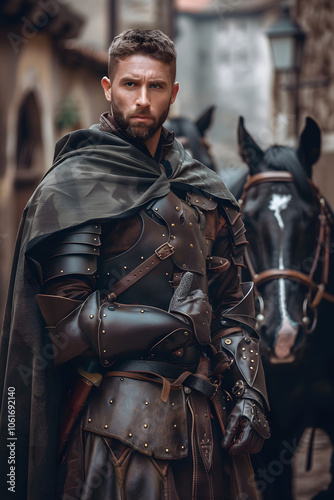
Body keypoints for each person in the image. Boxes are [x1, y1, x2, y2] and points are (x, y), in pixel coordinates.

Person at [0, 29, 270, 500]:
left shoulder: (201, 186)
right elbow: (69, 326)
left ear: (174, 92)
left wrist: (250, 391)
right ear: (109, 88)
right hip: (117, 431)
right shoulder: (77, 186)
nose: (143, 100)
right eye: (130, 85)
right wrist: (176, 324)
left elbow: (234, 305)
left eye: (156, 86)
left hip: (208, 428)